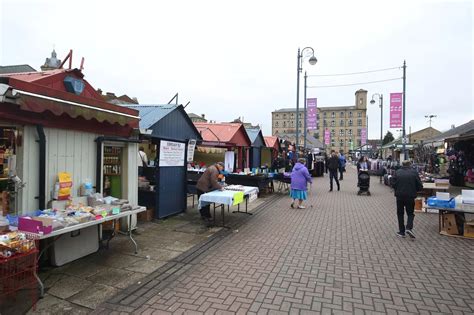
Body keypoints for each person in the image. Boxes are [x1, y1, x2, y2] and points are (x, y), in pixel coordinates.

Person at [392, 160, 423, 238]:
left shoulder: (397, 172)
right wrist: (416, 190)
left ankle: (401, 232)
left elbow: (392, 183)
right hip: (410, 196)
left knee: (400, 213)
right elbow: (419, 185)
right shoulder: (414, 172)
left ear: (402, 164)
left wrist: (397, 188)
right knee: (410, 213)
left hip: (399, 196)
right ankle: (409, 227)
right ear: (410, 164)